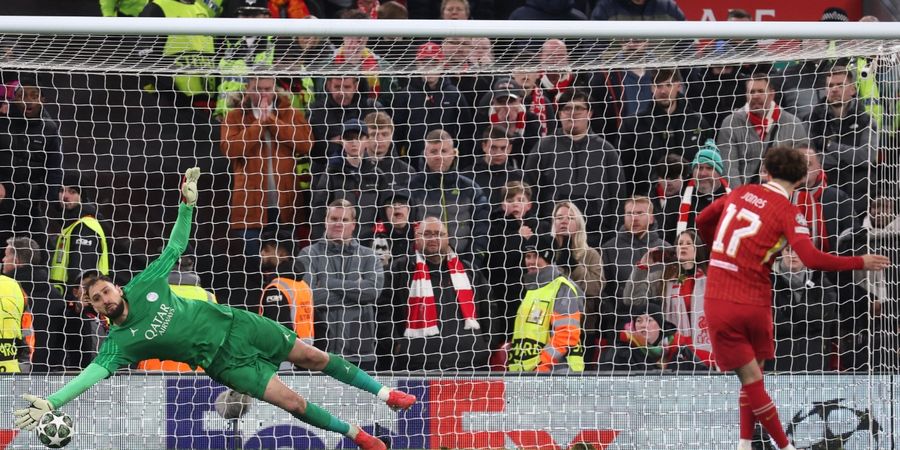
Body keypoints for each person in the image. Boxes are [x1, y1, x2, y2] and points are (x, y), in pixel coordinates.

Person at [13, 169, 414, 450]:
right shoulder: (119, 343)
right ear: (94, 307)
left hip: (239, 325)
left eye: (105, 289)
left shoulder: (146, 283)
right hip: (224, 362)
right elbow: (88, 377)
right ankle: (357, 436)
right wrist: (52, 404)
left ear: (115, 285)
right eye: (96, 299)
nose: (105, 298)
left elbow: (175, 247)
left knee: (312, 355)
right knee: (292, 403)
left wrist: (187, 205)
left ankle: (386, 393)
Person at [695, 146, 889, 450]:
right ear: (800, 180)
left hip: (721, 297)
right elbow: (811, 257)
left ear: (768, 172)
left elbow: (702, 220)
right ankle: (761, 445)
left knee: (750, 380)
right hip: (756, 301)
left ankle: (772, 446)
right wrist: (859, 262)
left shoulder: (741, 191)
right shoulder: (790, 212)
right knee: (754, 378)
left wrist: (715, 253)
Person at [389, 216, 492, 371]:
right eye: (427, 234)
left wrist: (485, 345)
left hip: (471, 364)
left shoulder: (469, 270)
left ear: (447, 238)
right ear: (417, 237)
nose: (433, 238)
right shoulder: (399, 269)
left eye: (439, 234)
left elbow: (490, 309)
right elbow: (384, 311)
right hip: (418, 366)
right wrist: (398, 346)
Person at [298, 199, 384, 371]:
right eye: (334, 219)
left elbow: (371, 292)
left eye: (344, 220)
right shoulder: (308, 254)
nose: (338, 224)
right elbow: (308, 297)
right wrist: (356, 291)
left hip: (360, 351)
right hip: (317, 351)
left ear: (353, 224)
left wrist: (328, 283)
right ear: (326, 221)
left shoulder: (369, 256)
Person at [623, 230, 714, 367]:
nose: (683, 246)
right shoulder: (663, 278)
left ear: (698, 249)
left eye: (688, 243)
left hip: (707, 348)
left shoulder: (711, 279)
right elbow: (631, 299)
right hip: (672, 350)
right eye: (679, 243)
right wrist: (642, 267)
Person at [508, 235, 585, 373]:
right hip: (528, 372)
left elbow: (567, 334)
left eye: (536, 256)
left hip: (558, 372)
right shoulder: (531, 289)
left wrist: (543, 365)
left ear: (548, 257)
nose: (531, 262)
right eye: (528, 256)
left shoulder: (563, 288)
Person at [717, 73, 810, 186]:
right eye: (752, 92)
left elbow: (803, 165)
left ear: (772, 94)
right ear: (746, 95)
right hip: (744, 196)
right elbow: (729, 168)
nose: (755, 96)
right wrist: (742, 197)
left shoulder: (793, 123)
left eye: (761, 91)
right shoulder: (731, 123)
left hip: (780, 195)